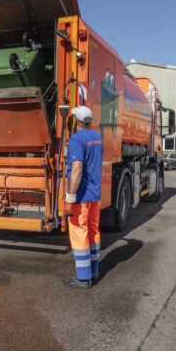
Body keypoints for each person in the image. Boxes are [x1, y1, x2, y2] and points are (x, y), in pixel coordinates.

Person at [64, 105, 103, 289]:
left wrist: (69, 198)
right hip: (95, 195)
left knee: (79, 233)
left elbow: (77, 169)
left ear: (76, 122)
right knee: (93, 230)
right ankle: (94, 270)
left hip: (81, 196)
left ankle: (83, 277)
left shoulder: (76, 139)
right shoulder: (97, 138)